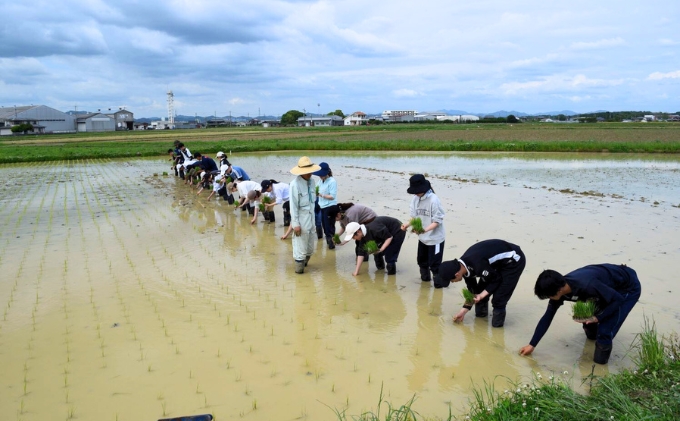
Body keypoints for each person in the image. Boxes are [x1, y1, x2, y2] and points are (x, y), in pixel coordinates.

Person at [519, 264, 641, 364]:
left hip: (626, 288)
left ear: (559, 290)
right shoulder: (560, 288)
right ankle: (592, 344)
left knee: (604, 331)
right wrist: (532, 344)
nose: (549, 298)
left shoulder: (588, 285)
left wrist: (598, 317)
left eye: (549, 296)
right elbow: (547, 316)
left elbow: (618, 299)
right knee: (588, 325)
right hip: (606, 287)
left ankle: (599, 368)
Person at [433, 239, 526, 328]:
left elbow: (496, 279)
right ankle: (481, 319)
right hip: (496, 263)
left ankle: (497, 328)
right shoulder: (462, 267)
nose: (452, 282)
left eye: (451, 280)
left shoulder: (478, 265)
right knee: (480, 291)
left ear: (456, 274)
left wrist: (481, 295)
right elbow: (473, 290)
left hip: (514, 261)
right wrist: (463, 311)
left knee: (499, 299)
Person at [400, 174, 446, 284]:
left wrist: (424, 230)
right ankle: (425, 284)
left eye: (417, 191)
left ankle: (437, 288)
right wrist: (407, 224)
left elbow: (437, 221)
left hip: (435, 239)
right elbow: (414, 217)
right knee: (422, 261)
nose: (415, 193)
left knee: (435, 265)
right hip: (422, 239)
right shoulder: (415, 199)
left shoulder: (434, 200)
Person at [289, 156, 321, 274]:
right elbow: (293, 206)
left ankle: (305, 262)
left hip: (311, 218)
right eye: (307, 172)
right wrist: (295, 224)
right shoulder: (294, 185)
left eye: (310, 171)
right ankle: (299, 271)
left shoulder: (312, 182)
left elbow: (313, 202)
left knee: (310, 248)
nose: (309, 174)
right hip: (301, 219)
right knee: (300, 247)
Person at [314, 162, 339, 250]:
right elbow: (315, 189)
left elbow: (332, 196)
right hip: (323, 206)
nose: (320, 176)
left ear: (327, 173)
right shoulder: (320, 181)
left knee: (329, 227)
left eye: (322, 175)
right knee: (325, 226)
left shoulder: (332, 181)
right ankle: (330, 243)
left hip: (330, 207)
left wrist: (321, 195)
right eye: (319, 175)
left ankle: (332, 245)